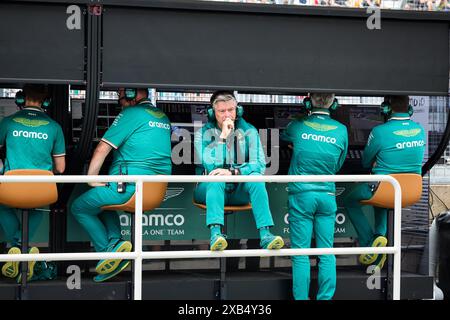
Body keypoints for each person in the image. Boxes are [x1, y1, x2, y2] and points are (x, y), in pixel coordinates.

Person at [71, 88, 172, 282]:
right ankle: (115, 241)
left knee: (80, 207)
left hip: (128, 188)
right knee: (101, 198)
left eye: (122, 98)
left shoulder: (131, 113)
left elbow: (102, 148)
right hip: (155, 191)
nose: (121, 102)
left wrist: (91, 177)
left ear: (133, 95)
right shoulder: (163, 117)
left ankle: (108, 253)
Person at [193, 91, 284, 251]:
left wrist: (234, 172)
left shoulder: (249, 130)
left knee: (256, 178)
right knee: (216, 178)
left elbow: (260, 164)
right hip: (209, 190)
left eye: (231, 110)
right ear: (213, 113)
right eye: (222, 111)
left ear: (238, 110)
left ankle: (266, 235)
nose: (227, 115)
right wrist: (223, 138)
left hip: (238, 189)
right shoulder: (202, 133)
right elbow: (211, 166)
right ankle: (216, 234)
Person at [343, 95, 426, 271]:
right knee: (384, 203)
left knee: (349, 201)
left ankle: (369, 242)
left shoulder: (380, 131)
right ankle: (379, 245)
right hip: (411, 191)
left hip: (384, 188)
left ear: (386, 109)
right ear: (409, 109)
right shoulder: (420, 130)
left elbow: (365, 162)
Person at [281, 93, 348, 300]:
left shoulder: (298, 125)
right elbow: (338, 164)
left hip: (302, 194)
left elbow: (283, 138)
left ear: (308, 102)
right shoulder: (342, 130)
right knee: (326, 252)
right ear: (333, 104)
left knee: (301, 254)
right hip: (327, 194)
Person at [0, 84, 66, 281]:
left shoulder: (8, 122)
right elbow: (61, 168)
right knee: (38, 207)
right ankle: (22, 245)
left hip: (11, 188)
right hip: (41, 189)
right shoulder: (55, 127)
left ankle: (18, 248)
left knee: (2, 206)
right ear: (46, 102)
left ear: (21, 98)